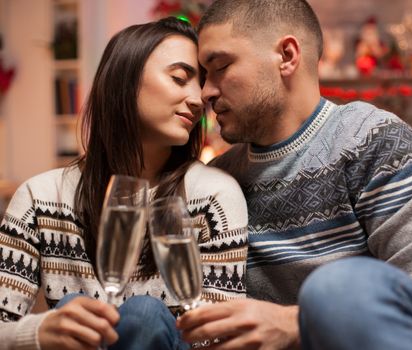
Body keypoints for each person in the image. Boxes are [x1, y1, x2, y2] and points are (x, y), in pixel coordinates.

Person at [176, 1, 412, 349]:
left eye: (220, 67)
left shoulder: (374, 143)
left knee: (336, 287)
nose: (206, 92)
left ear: (287, 55)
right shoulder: (220, 181)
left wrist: (298, 323)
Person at [0, 17, 248, 350]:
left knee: (142, 314)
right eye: (179, 78)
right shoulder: (39, 197)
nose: (197, 98)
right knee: (75, 307)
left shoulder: (213, 197)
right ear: (124, 81)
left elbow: (222, 338)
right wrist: (41, 332)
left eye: (200, 84)